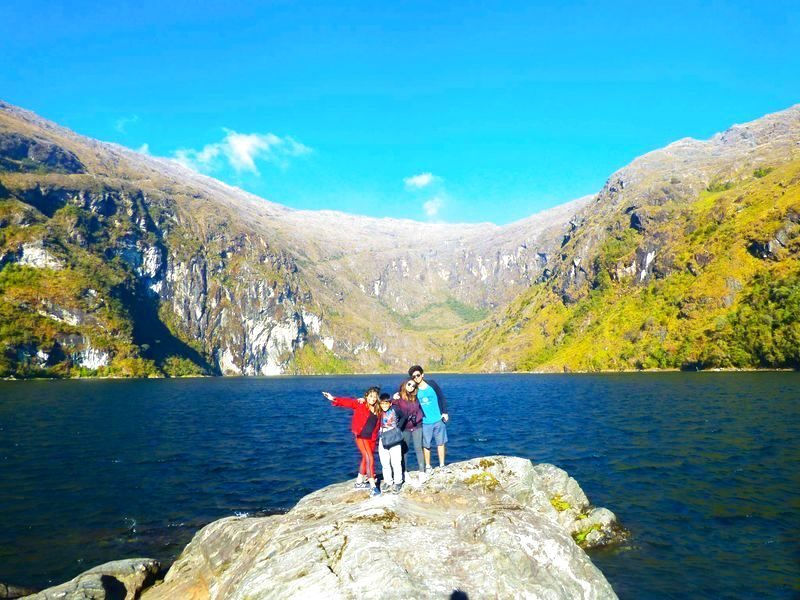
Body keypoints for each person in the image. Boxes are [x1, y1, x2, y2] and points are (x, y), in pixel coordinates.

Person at [322, 387, 382, 496]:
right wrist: (332, 398)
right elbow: (347, 402)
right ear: (366, 396)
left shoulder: (378, 408)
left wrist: (396, 398)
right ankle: (373, 487)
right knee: (369, 458)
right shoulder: (360, 404)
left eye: (375, 397)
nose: (373, 399)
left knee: (365, 459)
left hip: (372, 438)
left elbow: (389, 405)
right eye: (370, 396)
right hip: (361, 436)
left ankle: (359, 482)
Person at [408, 364, 448, 473]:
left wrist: (444, 412)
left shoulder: (432, 384)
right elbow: (404, 397)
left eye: (418, 375)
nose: (416, 378)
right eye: (413, 377)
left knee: (440, 443)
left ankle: (442, 465)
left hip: (438, 419)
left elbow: (441, 397)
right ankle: (428, 466)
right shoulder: (413, 390)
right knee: (426, 445)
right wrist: (397, 395)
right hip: (425, 422)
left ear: (422, 375)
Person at [392, 379, 424, 476]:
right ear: (405, 384)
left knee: (419, 448)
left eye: (413, 385)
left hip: (417, 426)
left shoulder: (416, 396)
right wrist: (392, 399)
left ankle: (422, 472)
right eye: (409, 384)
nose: (411, 386)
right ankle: (405, 472)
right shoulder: (398, 397)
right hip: (404, 427)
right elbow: (387, 406)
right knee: (404, 451)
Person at [377, 393, 405, 494]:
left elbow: (404, 417)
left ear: (390, 403)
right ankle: (388, 481)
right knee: (385, 462)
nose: (384, 405)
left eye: (386, 403)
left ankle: (398, 482)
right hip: (383, 438)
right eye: (382, 403)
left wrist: (398, 428)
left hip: (394, 438)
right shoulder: (378, 411)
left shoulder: (395, 409)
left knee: (396, 461)